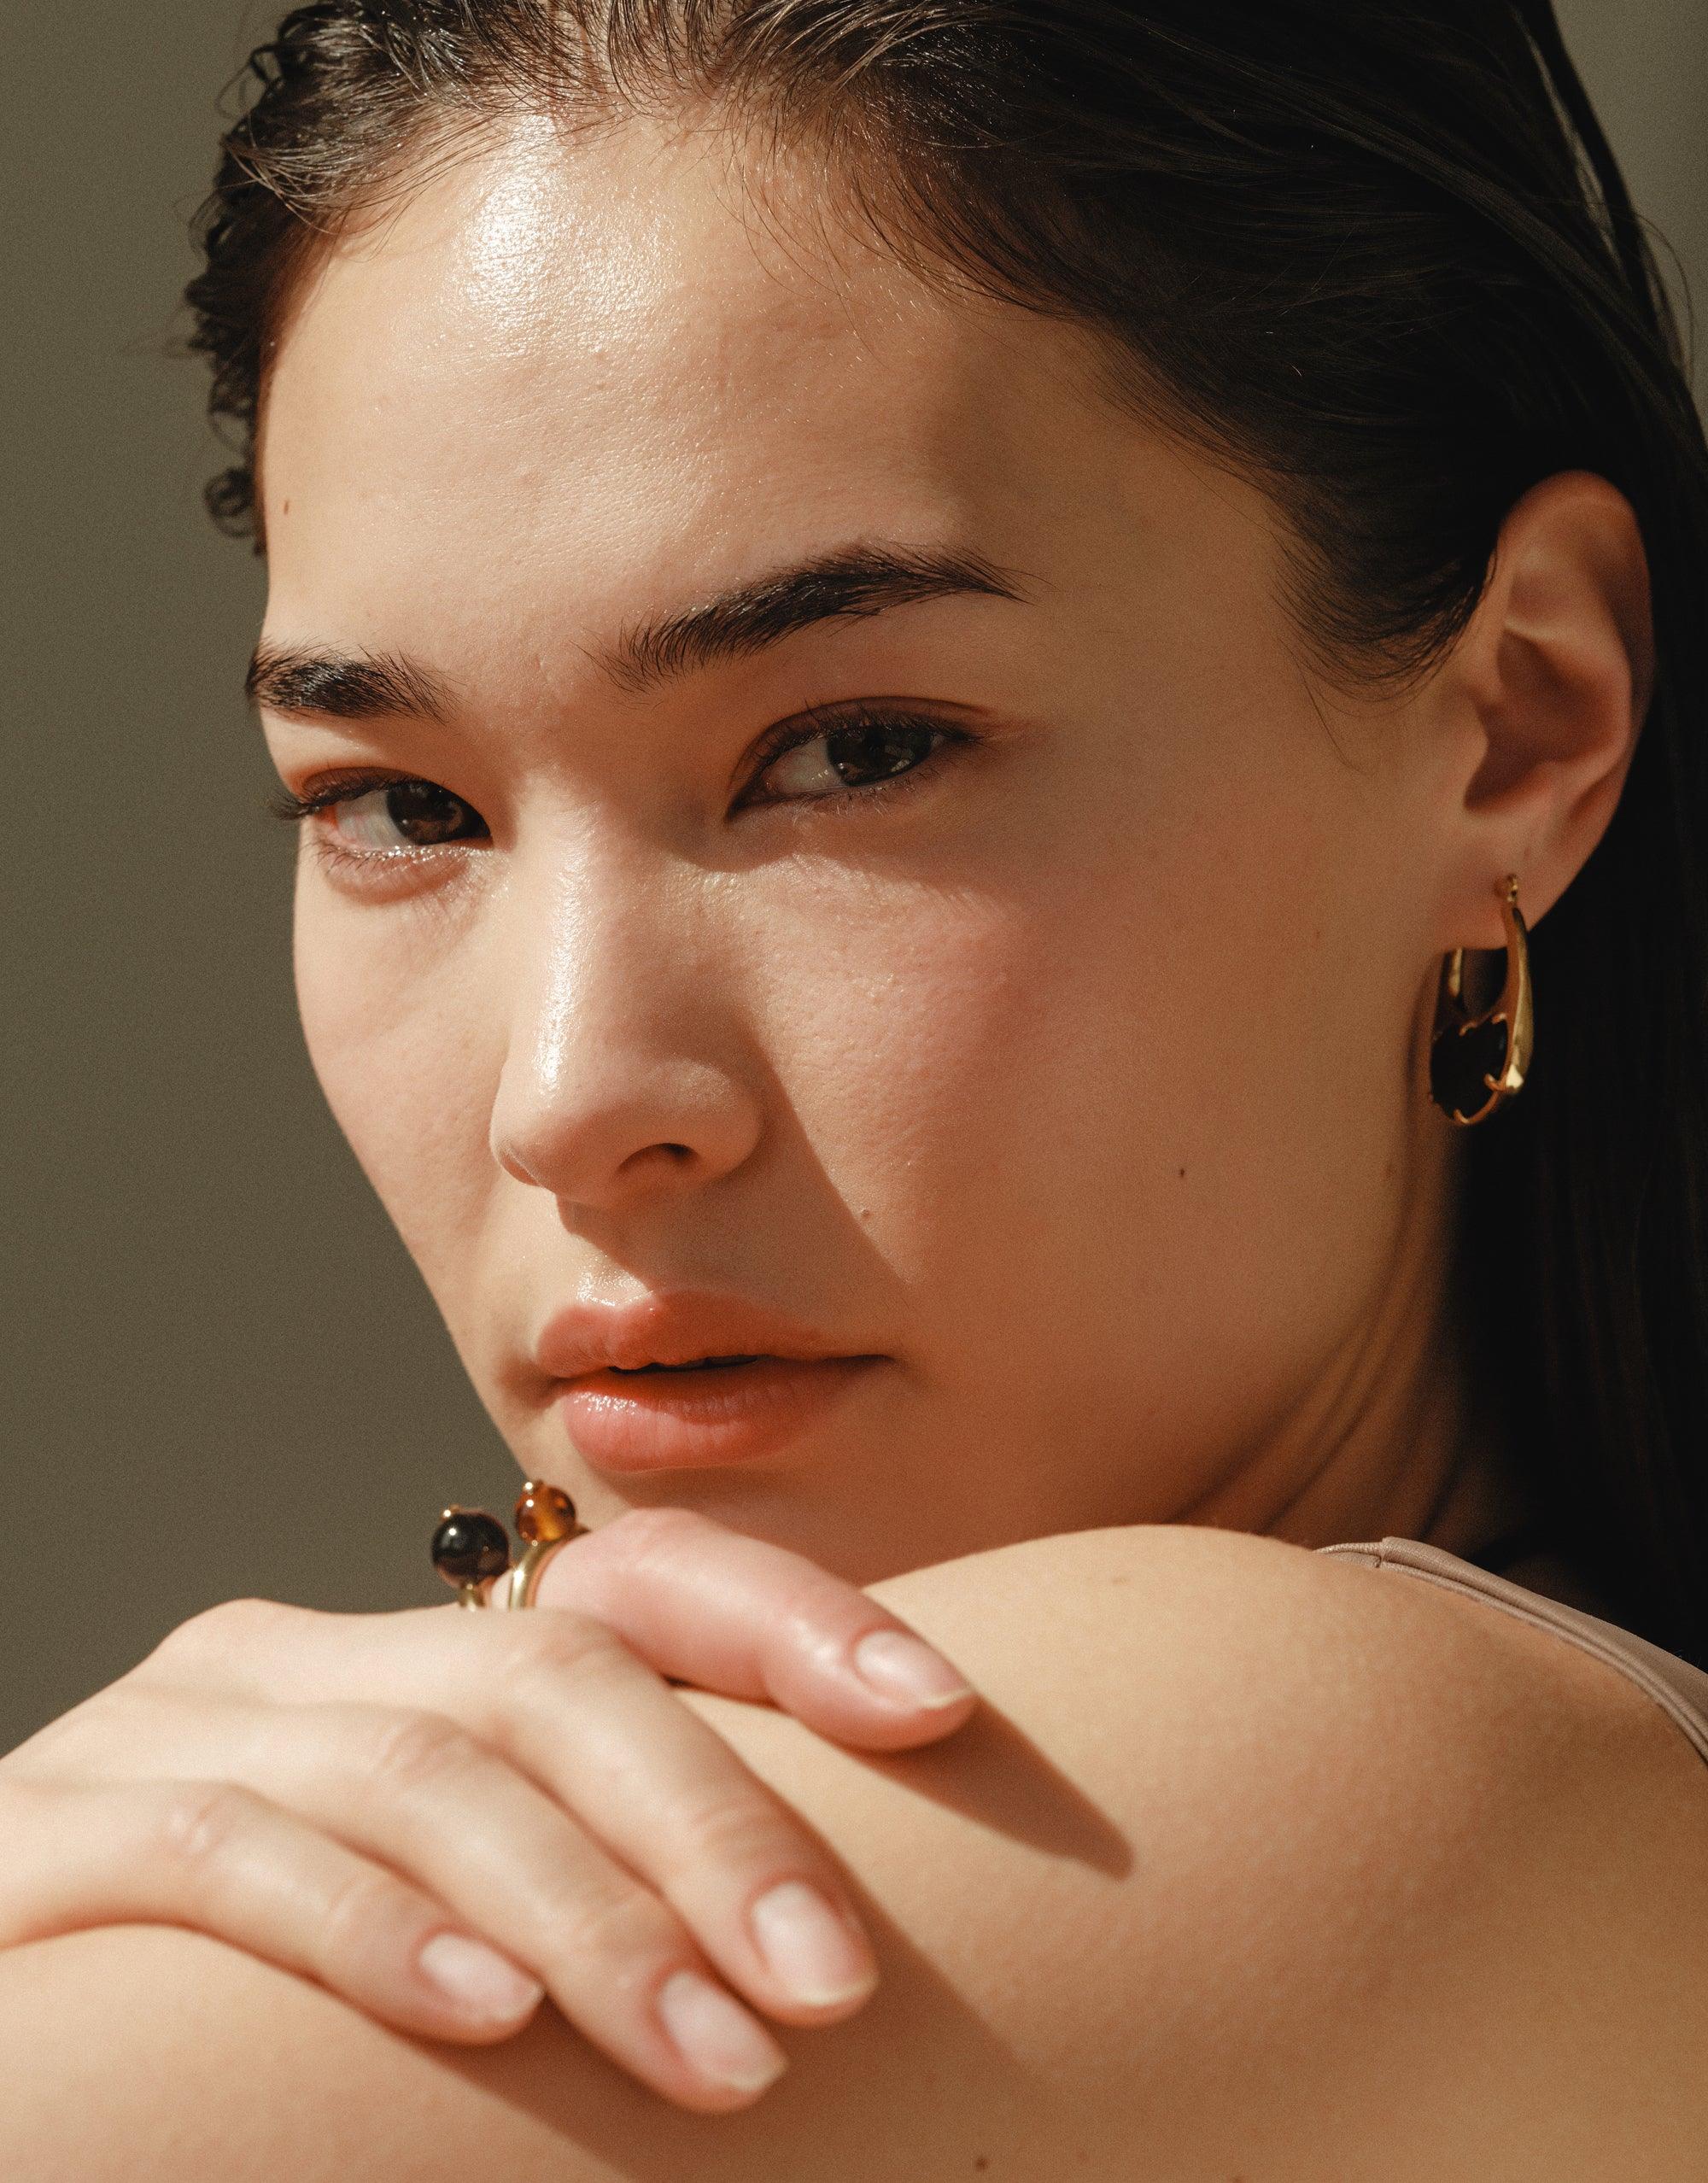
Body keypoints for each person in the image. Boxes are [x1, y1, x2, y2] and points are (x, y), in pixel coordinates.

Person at [3, 2, 1706, 2174]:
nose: (568, 1096)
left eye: (859, 751)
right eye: (402, 806)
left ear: (1522, 724)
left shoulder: (1345, 1763)